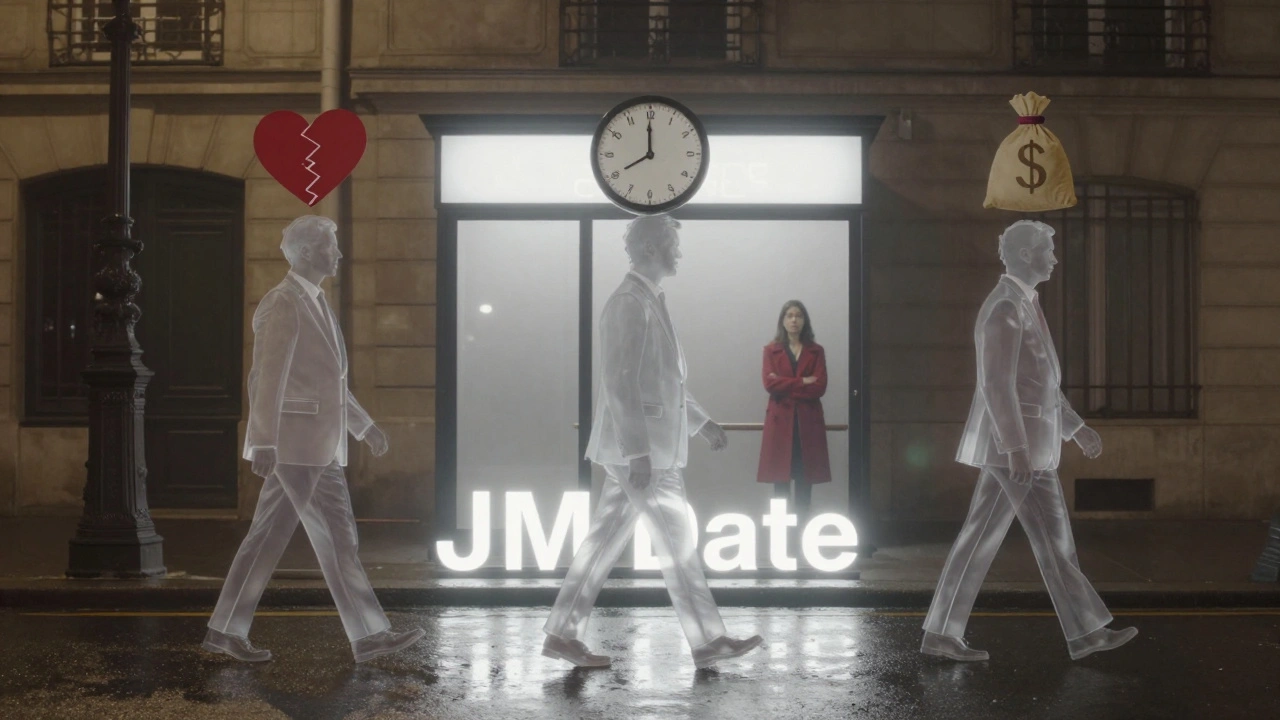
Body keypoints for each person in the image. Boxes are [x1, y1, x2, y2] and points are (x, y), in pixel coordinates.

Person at [542, 214, 764, 669]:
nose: (677, 253)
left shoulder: (647, 300)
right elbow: (620, 381)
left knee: (602, 542)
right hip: (644, 454)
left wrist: (700, 424)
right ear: (648, 249)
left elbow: (665, 381)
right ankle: (709, 641)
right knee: (678, 544)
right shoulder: (628, 302)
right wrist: (638, 451)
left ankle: (562, 634)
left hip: (645, 450)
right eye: (671, 245)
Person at [203, 215, 424, 664]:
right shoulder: (282, 302)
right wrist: (262, 442)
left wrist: (363, 425)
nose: (338, 254)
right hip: (300, 446)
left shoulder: (316, 301)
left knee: (265, 538)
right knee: (339, 539)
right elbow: (266, 377)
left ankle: (224, 631)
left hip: (311, 443)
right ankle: (368, 636)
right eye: (330, 246)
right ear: (306, 252)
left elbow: (329, 382)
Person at [921, 220, 1137, 662]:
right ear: (1024, 255)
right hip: (1019, 451)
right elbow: (997, 385)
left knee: (979, 538)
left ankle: (941, 633)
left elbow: (1040, 384)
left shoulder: (1022, 303)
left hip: (1021, 447)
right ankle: (1088, 633)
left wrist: (1076, 428)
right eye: (1047, 250)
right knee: (1054, 539)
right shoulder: (1004, 308)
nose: (1054, 258)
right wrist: (1016, 448)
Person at [757, 300, 831, 524]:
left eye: (798, 316)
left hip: (807, 425)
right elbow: (769, 385)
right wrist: (802, 382)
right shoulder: (771, 350)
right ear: (782, 320)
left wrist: (785, 383)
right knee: (780, 484)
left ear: (804, 320)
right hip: (781, 425)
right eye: (789, 315)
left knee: (804, 480)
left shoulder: (816, 351)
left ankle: (802, 537)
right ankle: (783, 542)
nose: (794, 320)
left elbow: (820, 387)